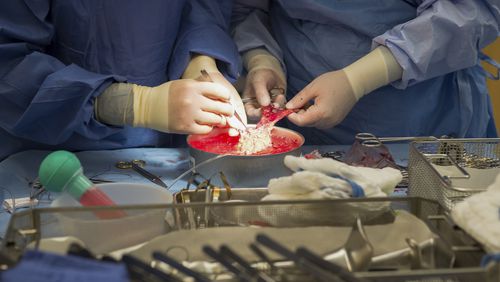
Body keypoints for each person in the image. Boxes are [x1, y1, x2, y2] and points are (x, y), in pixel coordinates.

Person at [0, 0, 246, 161]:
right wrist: (130, 103)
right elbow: (8, 65)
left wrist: (200, 61)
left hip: (168, 153)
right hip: (56, 154)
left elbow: (202, 7)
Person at [232, 0, 500, 145]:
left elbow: (472, 11)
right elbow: (246, 8)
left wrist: (358, 79)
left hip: (421, 123)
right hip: (304, 122)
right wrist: (260, 57)